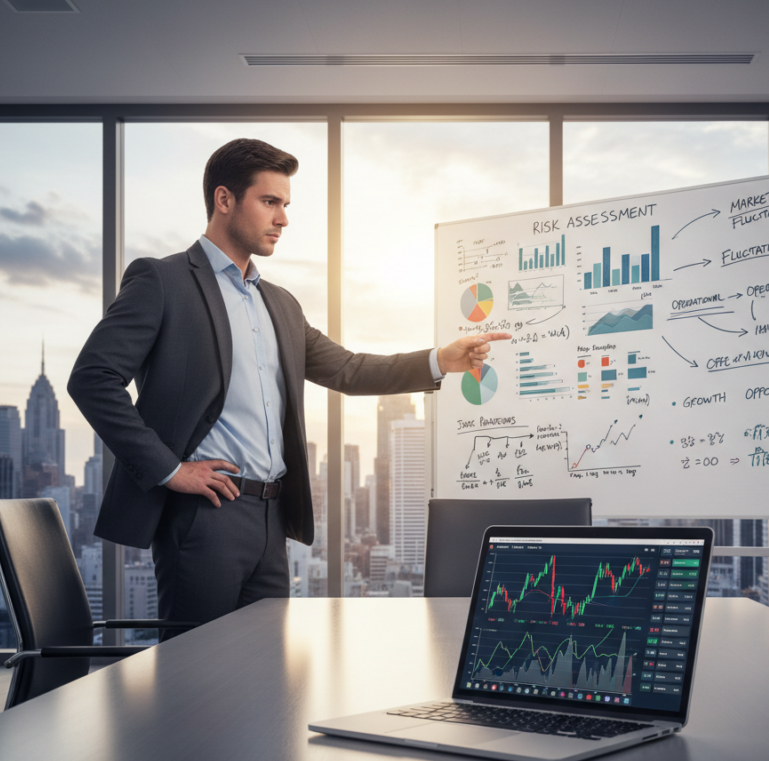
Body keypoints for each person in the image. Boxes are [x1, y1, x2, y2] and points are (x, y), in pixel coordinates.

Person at [68, 138, 509, 637]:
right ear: (224, 199)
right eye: (270, 202)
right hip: (204, 517)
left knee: (264, 674)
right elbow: (92, 379)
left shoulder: (280, 304)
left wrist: (438, 360)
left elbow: (348, 369)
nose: (283, 218)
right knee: (197, 678)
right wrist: (170, 470)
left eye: (286, 205)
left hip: (273, 519)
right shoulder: (162, 281)